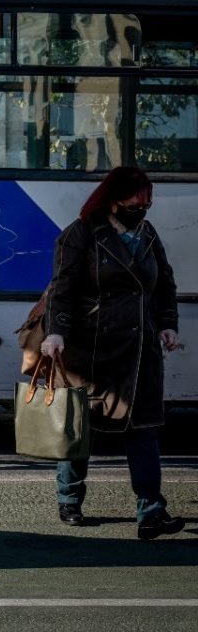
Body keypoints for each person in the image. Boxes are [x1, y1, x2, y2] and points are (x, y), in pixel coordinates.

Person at [39, 166, 184, 540]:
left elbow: (164, 284)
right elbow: (62, 289)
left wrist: (168, 324)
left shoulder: (147, 234)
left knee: (144, 429)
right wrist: (55, 332)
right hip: (91, 349)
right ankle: (69, 498)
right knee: (80, 428)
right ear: (114, 199)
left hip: (140, 351)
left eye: (147, 201)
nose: (143, 208)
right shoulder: (82, 233)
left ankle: (151, 511)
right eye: (137, 201)